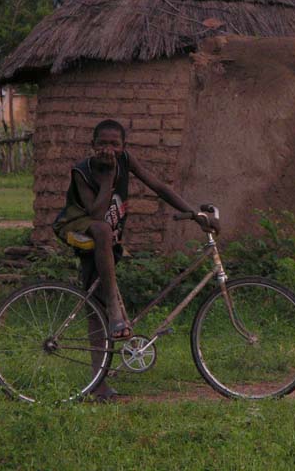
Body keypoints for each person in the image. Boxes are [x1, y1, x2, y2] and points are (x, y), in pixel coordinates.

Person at [53, 119, 218, 400]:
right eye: (102, 143)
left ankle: (100, 378)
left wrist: (194, 213)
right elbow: (94, 214)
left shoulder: (127, 160)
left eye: (115, 144)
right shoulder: (83, 171)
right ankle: (112, 321)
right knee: (100, 312)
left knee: (98, 300)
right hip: (77, 226)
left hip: (107, 238)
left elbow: (159, 186)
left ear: (124, 147)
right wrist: (106, 180)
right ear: (93, 146)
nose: (109, 148)